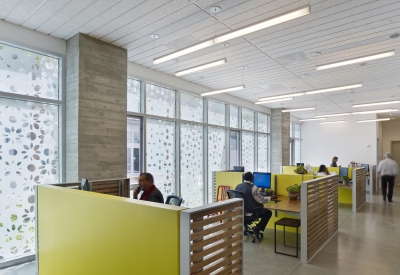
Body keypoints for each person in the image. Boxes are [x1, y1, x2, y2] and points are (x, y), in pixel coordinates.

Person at [235, 172, 275, 241]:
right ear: (252, 179)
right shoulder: (253, 188)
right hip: (251, 213)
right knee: (268, 213)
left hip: (239, 212)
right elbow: (261, 200)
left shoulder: (238, 186)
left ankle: (255, 228)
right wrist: (271, 197)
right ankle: (257, 228)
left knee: (264, 211)